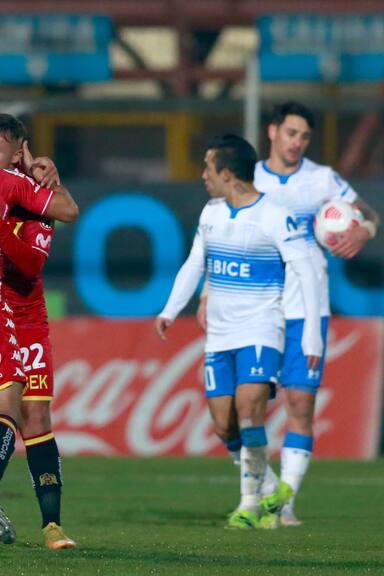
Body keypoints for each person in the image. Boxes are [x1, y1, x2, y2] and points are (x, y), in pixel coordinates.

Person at [198, 103, 380, 526]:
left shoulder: (322, 180)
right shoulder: (248, 177)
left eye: (305, 137)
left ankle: (286, 502)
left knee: (301, 402)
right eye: (291, 133)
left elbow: (371, 214)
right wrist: (208, 292)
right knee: (229, 418)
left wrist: (363, 230)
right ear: (273, 132)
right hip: (253, 310)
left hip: (303, 309)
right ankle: (265, 490)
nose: (297, 142)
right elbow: (219, 237)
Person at [156, 134, 323, 529]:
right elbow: (195, 265)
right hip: (220, 335)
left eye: (208, 167)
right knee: (223, 424)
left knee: (250, 408)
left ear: (228, 174)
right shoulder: (212, 213)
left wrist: (311, 334)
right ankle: (272, 489)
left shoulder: (274, 216)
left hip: (262, 328)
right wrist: (170, 309)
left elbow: (308, 272)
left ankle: (249, 502)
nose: (203, 176)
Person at [0, 114, 76, 550]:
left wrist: (50, 180)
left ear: (17, 153)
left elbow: (35, 259)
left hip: (24, 320)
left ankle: (51, 525)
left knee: (36, 417)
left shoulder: (34, 196)